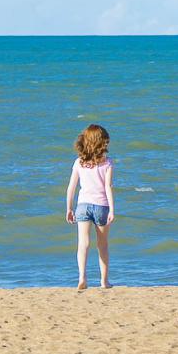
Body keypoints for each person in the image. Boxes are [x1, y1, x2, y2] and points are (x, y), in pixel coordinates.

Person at [65, 124, 115, 290]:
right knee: (103, 245)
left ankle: (82, 278)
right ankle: (104, 281)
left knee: (83, 243)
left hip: (83, 205)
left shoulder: (79, 162)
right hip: (101, 206)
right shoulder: (107, 163)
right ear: (102, 143)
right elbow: (108, 187)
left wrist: (69, 208)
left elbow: (71, 187)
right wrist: (112, 210)